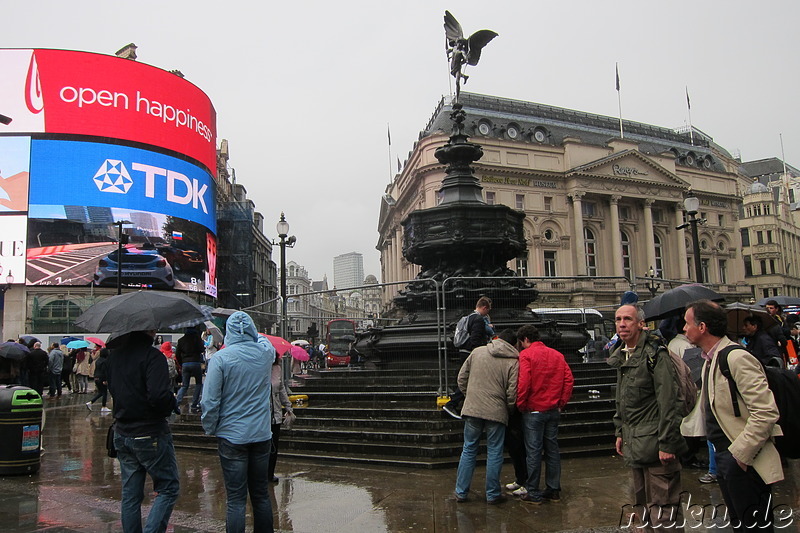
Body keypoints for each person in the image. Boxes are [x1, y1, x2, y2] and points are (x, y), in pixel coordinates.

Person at [684, 300, 783, 531]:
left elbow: (766, 411)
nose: (683, 329)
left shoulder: (736, 358)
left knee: (755, 525)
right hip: (725, 456)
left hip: (743, 459)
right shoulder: (711, 359)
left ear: (702, 327)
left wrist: (741, 455)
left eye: (687, 323)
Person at [608, 304, 686, 531]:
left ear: (641, 323)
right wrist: (620, 431)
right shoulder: (623, 354)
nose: (622, 324)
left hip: (657, 445)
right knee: (642, 507)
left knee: (664, 509)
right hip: (635, 443)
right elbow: (622, 400)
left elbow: (670, 401)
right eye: (618, 319)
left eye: (628, 319)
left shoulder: (655, 354)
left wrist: (668, 442)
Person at [201, 311, 275, 533]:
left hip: (232, 435)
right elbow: (264, 341)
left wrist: (210, 426)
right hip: (262, 435)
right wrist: (253, 333)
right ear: (252, 329)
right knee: (261, 494)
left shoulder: (221, 359)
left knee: (235, 499)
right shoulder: (265, 355)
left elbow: (210, 401)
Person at [107, 330, 179, 533]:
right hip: (150, 431)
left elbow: (113, 390)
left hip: (122, 431)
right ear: (146, 331)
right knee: (168, 488)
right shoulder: (152, 357)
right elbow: (158, 396)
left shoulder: (115, 357)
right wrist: (170, 403)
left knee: (130, 494)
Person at [454, 328, 519, 505]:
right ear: (513, 344)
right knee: (495, 451)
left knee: (468, 449)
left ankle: (461, 492)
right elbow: (512, 392)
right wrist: (508, 409)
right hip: (496, 411)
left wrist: (471, 396)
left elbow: (461, 378)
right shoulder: (513, 361)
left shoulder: (477, 352)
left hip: (473, 408)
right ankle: (492, 494)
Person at [515, 324, 574, 504]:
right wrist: (561, 403)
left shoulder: (526, 355)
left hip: (533, 410)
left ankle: (533, 490)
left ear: (525, 339)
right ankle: (553, 488)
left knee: (533, 452)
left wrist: (521, 404)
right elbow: (569, 379)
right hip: (553, 409)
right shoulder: (557, 355)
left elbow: (524, 382)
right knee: (552, 450)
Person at [443, 296, 493, 419]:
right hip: (471, 353)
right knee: (470, 379)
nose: (487, 313)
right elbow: (476, 339)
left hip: (463, 351)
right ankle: (452, 403)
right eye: (488, 310)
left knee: (466, 378)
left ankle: (458, 404)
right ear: (484, 308)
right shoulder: (478, 320)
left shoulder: (469, 317)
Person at [267, 344, 293, 483]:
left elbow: (281, 388)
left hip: (276, 414)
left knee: (274, 447)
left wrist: (288, 406)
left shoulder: (277, 368)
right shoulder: (257, 369)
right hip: (261, 415)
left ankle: (270, 473)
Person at [175, 327, 205, 413]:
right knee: (199, 384)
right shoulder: (197, 339)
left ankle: (177, 403)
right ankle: (194, 404)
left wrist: (182, 363)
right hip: (195, 363)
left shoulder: (181, 340)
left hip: (185, 364)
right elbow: (202, 349)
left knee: (185, 385)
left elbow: (177, 354)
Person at [86, 348, 110, 412]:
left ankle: (91, 402)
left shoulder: (98, 360)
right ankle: (103, 406)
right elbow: (105, 371)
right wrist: (106, 379)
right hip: (102, 378)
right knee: (104, 392)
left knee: (101, 392)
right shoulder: (105, 361)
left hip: (96, 377)